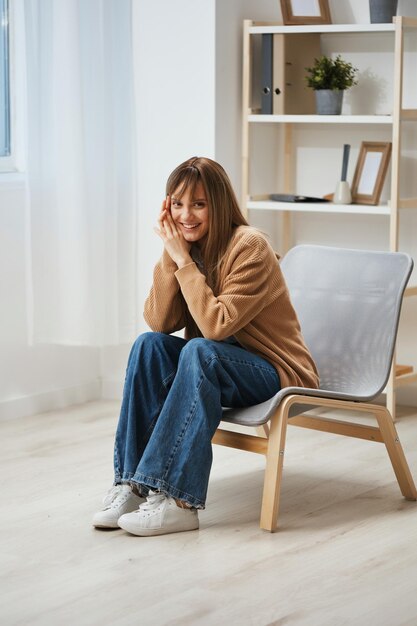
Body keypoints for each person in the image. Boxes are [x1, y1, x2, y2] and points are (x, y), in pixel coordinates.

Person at [92, 156, 319, 536]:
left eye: (198, 204)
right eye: (177, 204)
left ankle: (180, 501)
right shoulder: (185, 247)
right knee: (149, 345)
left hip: (273, 370)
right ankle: (133, 484)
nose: (186, 215)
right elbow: (160, 322)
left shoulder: (251, 247)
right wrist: (172, 255)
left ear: (219, 203)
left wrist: (182, 260)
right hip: (217, 363)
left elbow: (215, 326)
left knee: (200, 350)